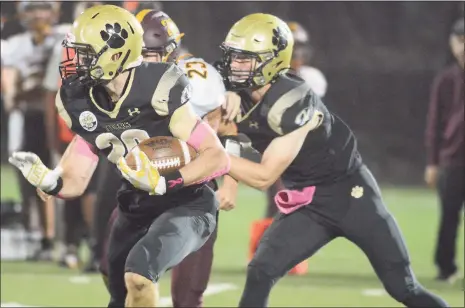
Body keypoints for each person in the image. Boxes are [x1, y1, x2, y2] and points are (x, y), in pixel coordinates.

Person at [216, 13, 449, 307]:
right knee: (261, 271)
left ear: (272, 61)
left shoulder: (293, 99)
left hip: (351, 195)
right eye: (233, 57)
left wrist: (215, 158)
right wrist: (230, 181)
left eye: (245, 59)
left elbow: (264, 176)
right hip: (308, 203)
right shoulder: (231, 85)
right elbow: (229, 130)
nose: (234, 66)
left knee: (404, 289)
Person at [9, 5, 230, 308]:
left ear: (115, 53)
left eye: (85, 54)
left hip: (186, 203)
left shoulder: (160, 85)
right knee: (118, 293)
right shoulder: (80, 98)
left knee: (140, 275)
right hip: (135, 204)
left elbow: (217, 157)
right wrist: (51, 182)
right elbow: (76, 178)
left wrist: (167, 180)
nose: (76, 62)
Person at [97, 9, 242, 307]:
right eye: (139, 53)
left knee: (187, 296)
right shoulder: (116, 80)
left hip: (191, 187)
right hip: (140, 186)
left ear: (171, 52)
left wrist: (231, 181)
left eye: (152, 54)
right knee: (113, 275)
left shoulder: (195, 76)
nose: (145, 61)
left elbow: (225, 127)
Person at [248, 20, 329, 276]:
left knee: (298, 202)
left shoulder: (312, 78)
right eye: (293, 50)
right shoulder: (265, 78)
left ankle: (289, 255)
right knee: (277, 200)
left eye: (300, 49)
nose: (298, 56)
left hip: (302, 149)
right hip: (273, 146)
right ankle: (264, 255)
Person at [1, 0, 66, 261]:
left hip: (61, 120)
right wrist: (24, 89)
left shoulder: (67, 36)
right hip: (27, 119)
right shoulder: (15, 45)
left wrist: (35, 84)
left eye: (43, 7)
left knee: (58, 177)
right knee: (29, 179)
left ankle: (60, 236)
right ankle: (38, 236)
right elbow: (11, 93)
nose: (38, 14)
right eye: (32, 8)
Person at [424, 18, 464, 283]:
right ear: (452, 43)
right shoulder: (446, 79)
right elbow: (434, 122)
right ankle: (445, 268)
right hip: (453, 159)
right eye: (460, 40)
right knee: (448, 217)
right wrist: (432, 162)